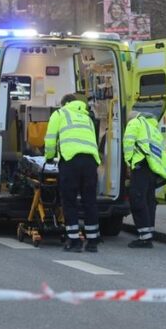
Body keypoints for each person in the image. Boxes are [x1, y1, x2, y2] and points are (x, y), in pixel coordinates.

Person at [45, 93, 101, 252]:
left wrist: (49, 157)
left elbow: (50, 139)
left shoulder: (59, 113)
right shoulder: (87, 118)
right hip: (90, 161)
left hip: (70, 161)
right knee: (89, 201)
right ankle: (92, 242)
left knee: (69, 201)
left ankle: (74, 241)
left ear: (64, 104)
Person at [123, 110, 166, 249]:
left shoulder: (135, 123)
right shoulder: (152, 128)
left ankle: (144, 238)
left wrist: (129, 162)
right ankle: (149, 232)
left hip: (140, 165)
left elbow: (128, 143)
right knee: (149, 200)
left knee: (137, 200)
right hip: (153, 168)